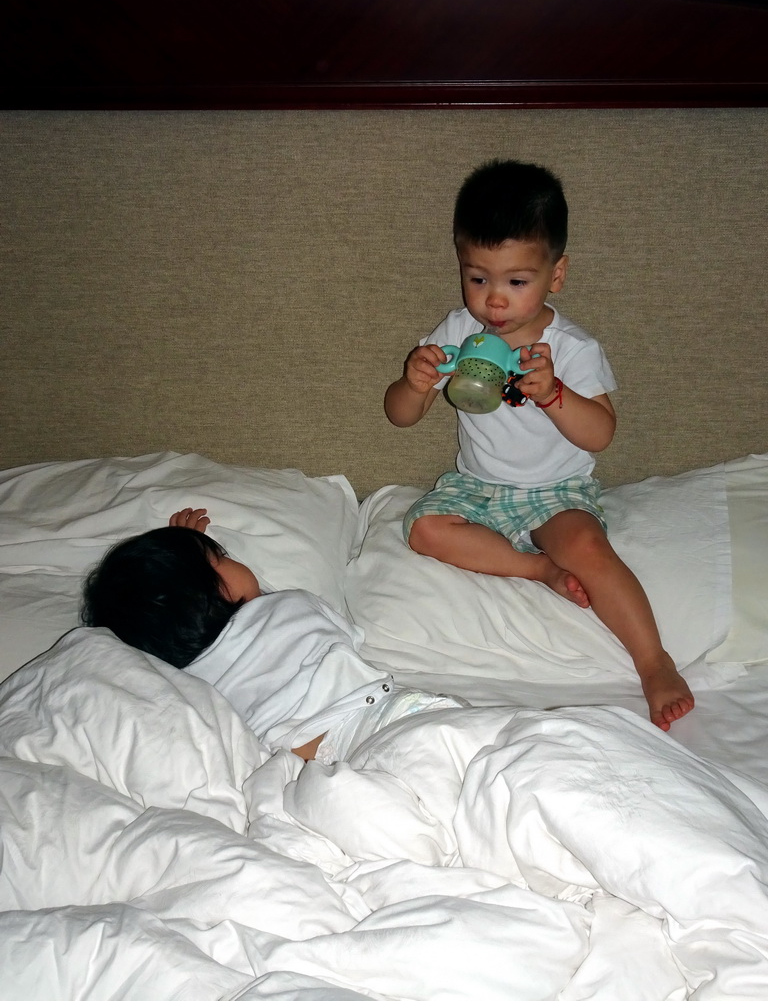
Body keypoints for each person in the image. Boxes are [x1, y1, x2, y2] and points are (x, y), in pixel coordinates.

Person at [383, 158, 693, 732]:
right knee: (424, 529)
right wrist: (414, 382)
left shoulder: (570, 346)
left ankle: (653, 662)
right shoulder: (457, 333)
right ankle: (535, 571)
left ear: (556, 274)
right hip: (478, 486)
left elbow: (602, 432)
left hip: (556, 489)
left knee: (587, 546)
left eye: (515, 282)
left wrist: (554, 396)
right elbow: (401, 417)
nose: (493, 301)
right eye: (478, 279)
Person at [81, 508, 463, 762]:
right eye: (222, 557)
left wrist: (187, 573)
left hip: (299, 765)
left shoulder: (187, 678)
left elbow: (239, 599)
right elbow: (270, 603)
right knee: (471, 748)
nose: (234, 561)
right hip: (376, 719)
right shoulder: (294, 606)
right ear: (216, 587)